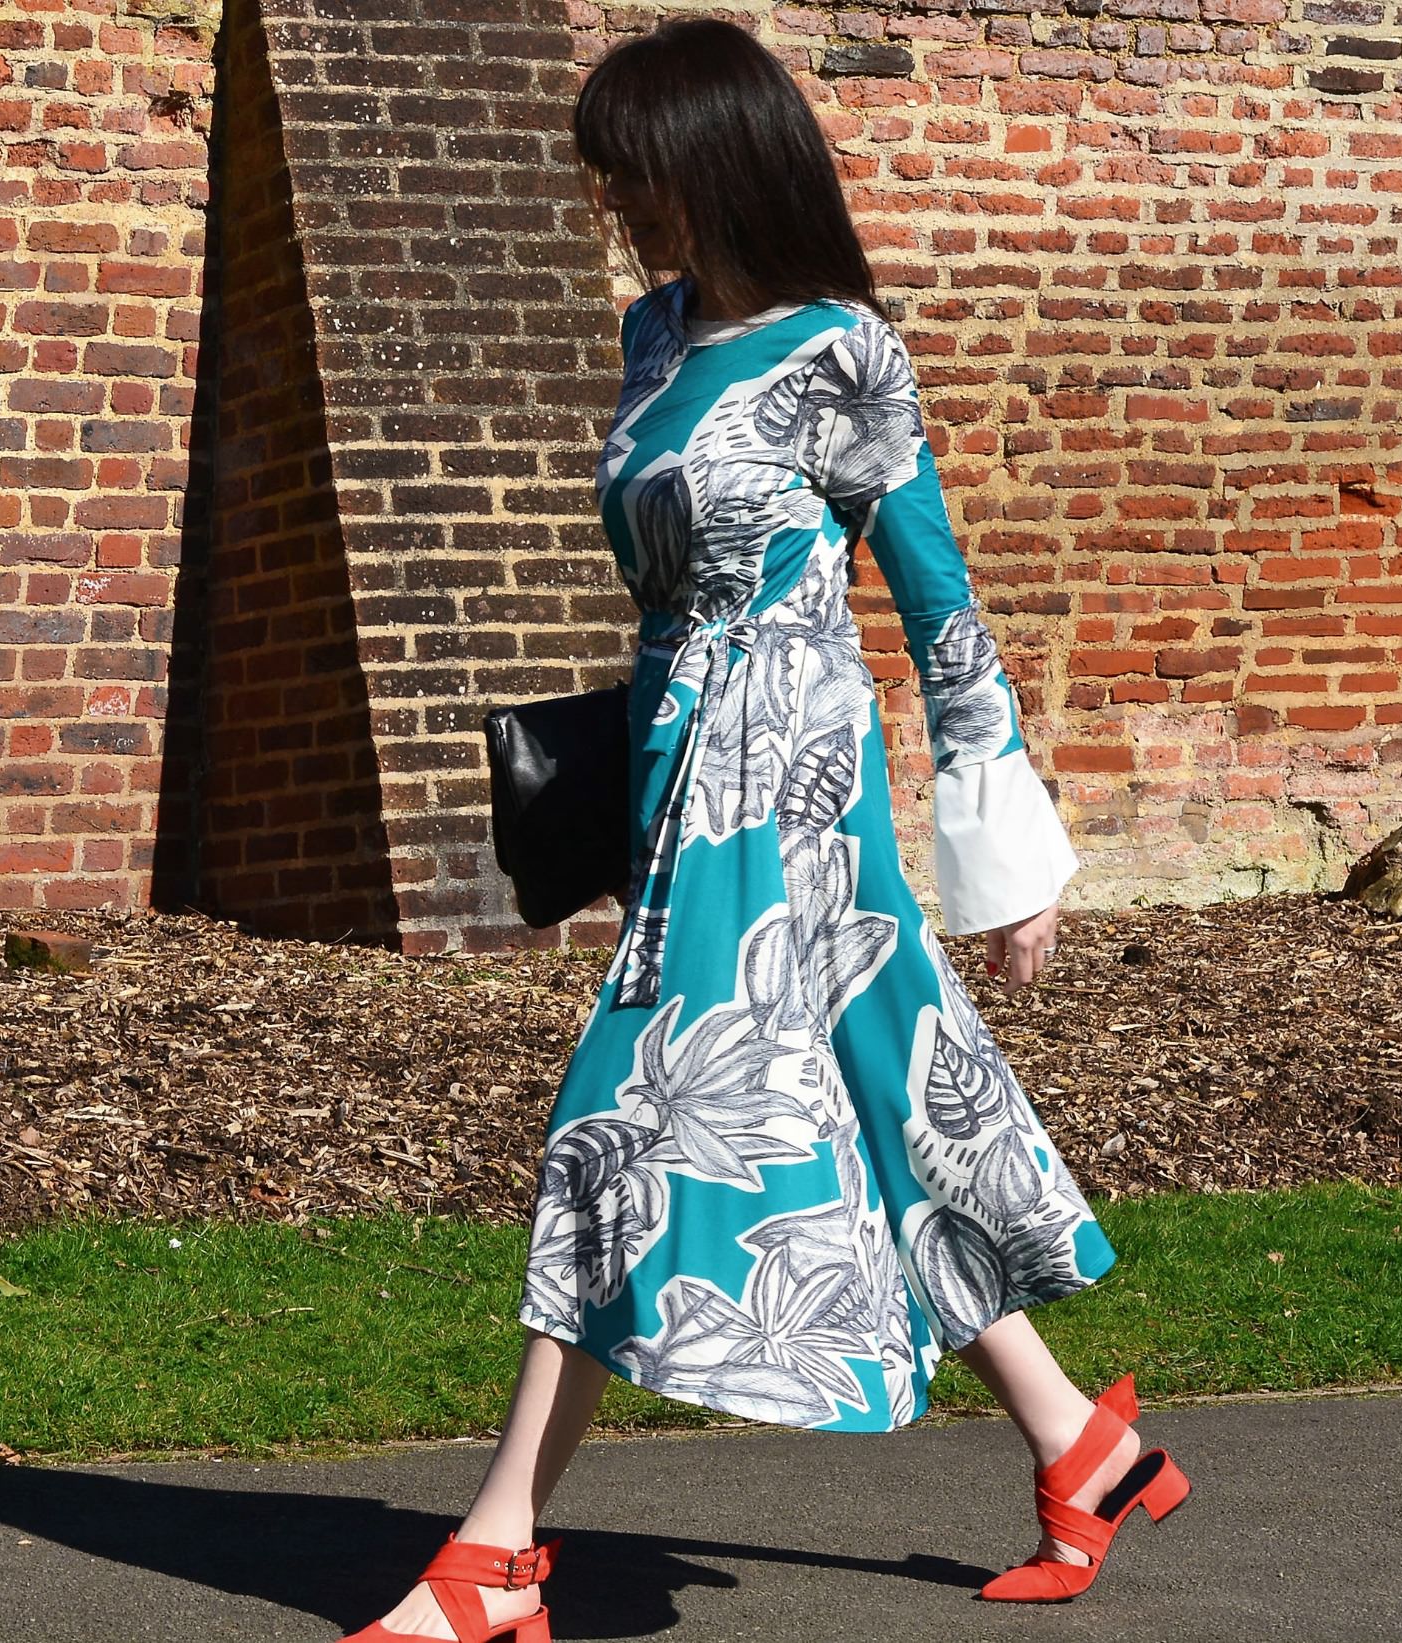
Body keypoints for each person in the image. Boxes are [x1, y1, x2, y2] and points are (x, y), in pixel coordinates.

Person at [340, 18, 1190, 1643]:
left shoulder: (840, 352)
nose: (619, 212)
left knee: (643, 1103)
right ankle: (1083, 1442)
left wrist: (1000, 847)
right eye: (605, 186)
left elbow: (935, 598)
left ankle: (498, 1547)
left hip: (792, 780)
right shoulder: (651, 338)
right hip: (685, 771)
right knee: (887, 1092)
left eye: (636, 180)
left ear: (713, 164)